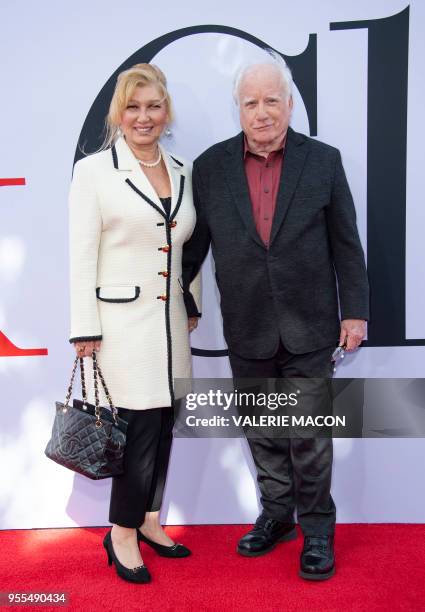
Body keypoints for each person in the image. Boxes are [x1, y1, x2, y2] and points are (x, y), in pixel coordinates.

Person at [182, 52, 369, 580]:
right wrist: (180, 298)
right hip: (248, 324)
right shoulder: (212, 167)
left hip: (311, 325)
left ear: (289, 103)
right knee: (263, 432)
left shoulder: (324, 161)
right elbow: (192, 249)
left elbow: (346, 245)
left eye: (271, 100)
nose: (261, 112)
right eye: (250, 102)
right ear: (237, 110)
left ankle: (317, 533)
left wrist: (353, 311)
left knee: (308, 437)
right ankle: (277, 516)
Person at [69, 63, 200, 584]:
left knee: (166, 423)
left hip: (169, 326)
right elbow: (81, 255)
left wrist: (189, 304)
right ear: (118, 115)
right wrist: (84, 327)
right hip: (119, 325)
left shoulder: (184, 169)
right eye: (133, 107)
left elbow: (183, 247)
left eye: (153, 106)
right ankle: (120, 532)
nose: (144, 117)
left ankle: (148, 520)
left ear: (166, 113)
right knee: (138, 428)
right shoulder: (95, 171)